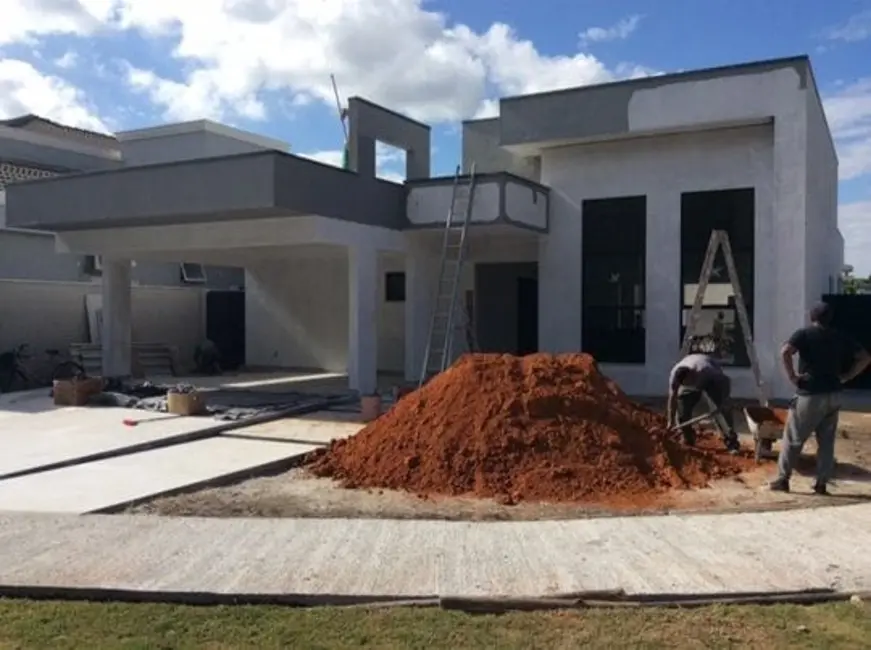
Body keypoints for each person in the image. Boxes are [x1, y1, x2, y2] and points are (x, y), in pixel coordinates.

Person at [769, 303, 870, 495]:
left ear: (811, 317)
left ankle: (783, 480)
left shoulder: (804, 334)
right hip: (834, 394)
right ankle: (821, 483)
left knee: (793, 439)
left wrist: (792, 377)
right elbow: (864, 357)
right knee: (826, 441)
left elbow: (785, 351)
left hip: (810, 394)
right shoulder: (839, 336)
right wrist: (848, 376)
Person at [667, 353, 741, 453]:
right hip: (695, 376)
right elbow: (672, 398)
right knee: (682, 408)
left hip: (712, 381)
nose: (687, 384)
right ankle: (687, 438)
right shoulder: (675, 376)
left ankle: (731, 442)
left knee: (721, 411)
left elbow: (725, 381)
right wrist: (670, 421)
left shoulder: (707, 370)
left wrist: (724, 400)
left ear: (692, 374)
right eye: (684, 383)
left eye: (689, 381)